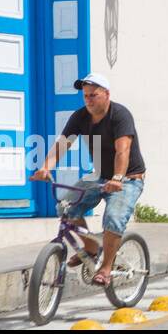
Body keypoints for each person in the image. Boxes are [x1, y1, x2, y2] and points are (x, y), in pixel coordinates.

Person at [30, 74, 146, 286]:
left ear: (106, 94)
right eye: (85, 96)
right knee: (66, 207)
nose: (88, 100)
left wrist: (118, 178)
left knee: (113, 218)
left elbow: (123, 150)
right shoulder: (80, 117)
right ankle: (92, 249)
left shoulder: (120, 115)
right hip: (100, 177)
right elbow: (62, 144)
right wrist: (46, 167)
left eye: (93, 95)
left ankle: (106, 268)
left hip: (127, 179)